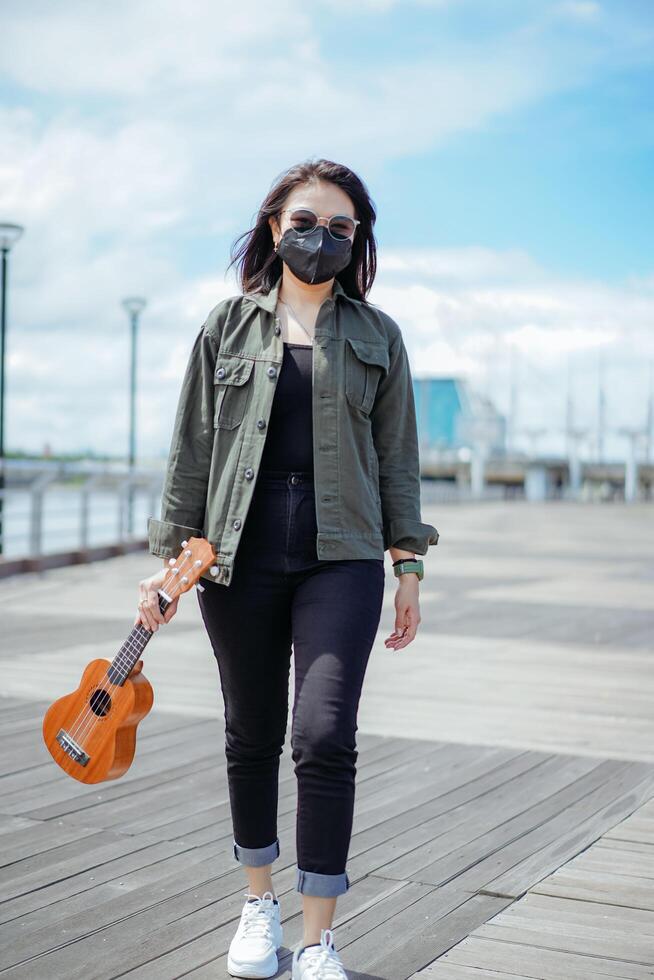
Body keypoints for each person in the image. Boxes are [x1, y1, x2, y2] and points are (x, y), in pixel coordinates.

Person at [135, 158, 439, 979]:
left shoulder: (379, 337)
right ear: (275, 227)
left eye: (342, 227)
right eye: (307, 222)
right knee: (252, 731)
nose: (322, 238)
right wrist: (170, 563)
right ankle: (257, 906)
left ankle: (317, 938)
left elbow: (398, 459)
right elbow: (190, 451)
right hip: (237, 549)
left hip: (342, 553)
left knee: (323, 734)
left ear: (357, 240)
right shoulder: (226, 326)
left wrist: (409, 565)